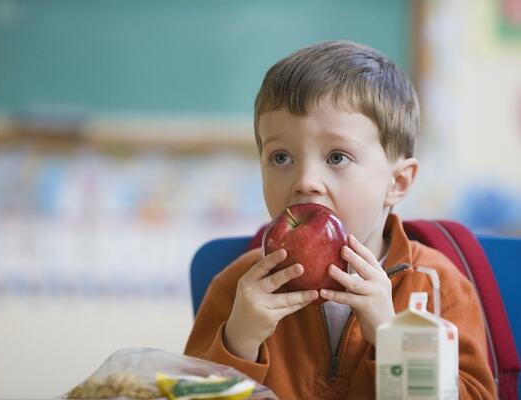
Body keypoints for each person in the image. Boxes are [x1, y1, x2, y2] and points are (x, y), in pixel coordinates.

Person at [184, 41, 497, 399]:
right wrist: (237, 343)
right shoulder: (238, 287)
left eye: (337, 157)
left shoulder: (437, 286)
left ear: (397, 182)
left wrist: (392, 337)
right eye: (281, 157)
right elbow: (189, 391)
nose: (305, 181)